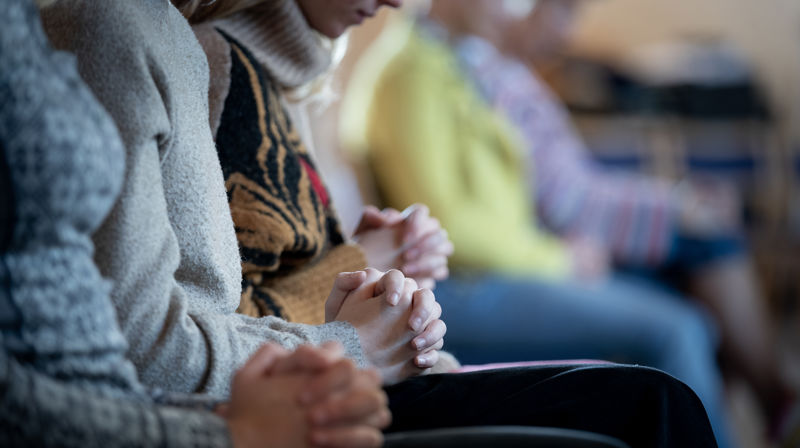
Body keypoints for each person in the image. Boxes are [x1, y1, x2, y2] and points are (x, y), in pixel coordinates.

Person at [35, 1, 721, 446]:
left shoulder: (189, 49)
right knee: (653, 386)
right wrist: (352, 341)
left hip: (321, 373)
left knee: (656, 393)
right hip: (268, 403)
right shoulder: (120, 35)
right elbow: (149, 343)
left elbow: (253, 293)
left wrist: (371, 305)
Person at [0, 1, 390, 446]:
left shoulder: (174, 37)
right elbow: (143, 349)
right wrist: (346, 345)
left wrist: (353, 341)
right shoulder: (111, 29)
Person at [347, 0, 735, 446]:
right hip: (465, 285)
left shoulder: (456, 65)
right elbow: (453, 228)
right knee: (677, 329)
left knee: (684, 294)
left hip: (504, 270)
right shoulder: (410, 75)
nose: (512, 9)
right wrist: (560, 259)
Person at [475, 0, 796, 433]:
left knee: (702, 265)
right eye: (560, 12)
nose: (566, 34)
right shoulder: (489, 79)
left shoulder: (509, 75)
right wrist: (674, 207)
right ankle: (774, 402)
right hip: (558, 245)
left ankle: (751, 409)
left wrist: (676, 200)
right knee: (706, 247)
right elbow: (567, 200)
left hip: (566, 236)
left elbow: (577, 181)